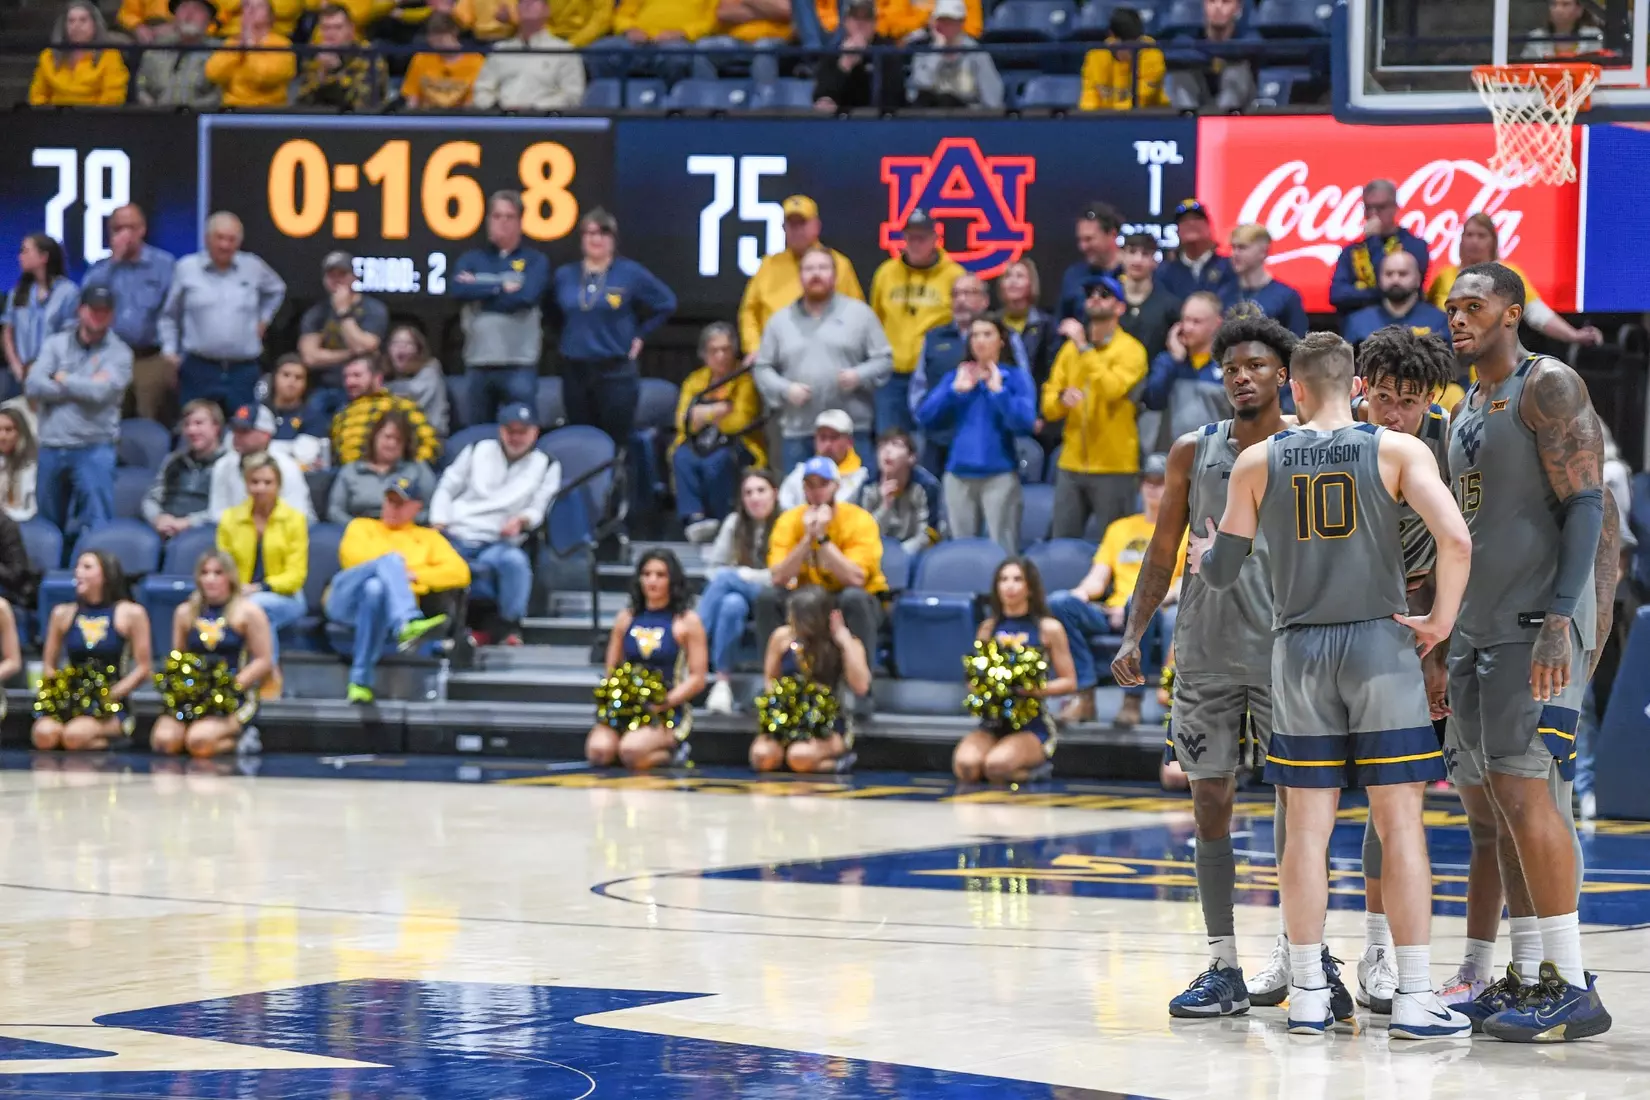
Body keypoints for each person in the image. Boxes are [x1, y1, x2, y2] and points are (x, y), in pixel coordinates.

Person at [1189, 330, 1471, 1040]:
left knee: (1305, 833)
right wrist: (1439, 621)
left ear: (1295, 387)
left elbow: (1222, 572)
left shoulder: (1258, 459)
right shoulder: (1399, 450)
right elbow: (1457, 540)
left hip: (1299, 651)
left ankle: (1310, 992)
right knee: (1399, 824)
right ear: (1356, 386)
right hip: (1380, 642)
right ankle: (1412, 994)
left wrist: (1206, 554)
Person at [1439, 262, 1616, 1042]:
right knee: (1498, 803)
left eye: (1473, 306)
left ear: (1513, 313)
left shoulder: (1549, 385)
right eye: (1452, 308)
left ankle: (1572, 985)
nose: (1458, 318)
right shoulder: (1466, 405)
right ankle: (1529, 968)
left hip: (1536, 623)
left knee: (1527, 792)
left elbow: (1587, 505)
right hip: (1479, 625)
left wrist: (1560, 620)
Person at [1110, 312, 1295, 1016]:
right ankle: (1223, 964)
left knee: (1298, 806)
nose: (1242, 377)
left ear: (1284, 375)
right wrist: (1134, 633)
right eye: (1231, 368)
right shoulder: (1194, 449)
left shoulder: (1306, 446)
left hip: (1284, 652)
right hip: (1206, 652)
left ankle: (1300, 954)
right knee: (1209, 802)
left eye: (1256, 366)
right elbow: (1162, 551)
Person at [1348, 324, 1458, 1013]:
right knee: (1306, 799)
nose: (1392, 414)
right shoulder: (1331, 435)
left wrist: (1438, 654)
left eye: (1408, 402)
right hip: (1332, 620)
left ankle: (1383, 947)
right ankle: (1305, 949)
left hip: (1417, 622)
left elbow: (1458, 549)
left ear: (1430, 402)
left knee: (1397, 792)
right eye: (1382, 397)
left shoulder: (1449, 440)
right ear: (1361, 389)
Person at [1051, 452, 1183, 726]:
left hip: (1155, 611)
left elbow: (1185, 582)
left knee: (1138, 602)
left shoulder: (1184, 529)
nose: (1153, 488)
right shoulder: (1120, 528)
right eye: (1148, 481)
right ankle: (1085, 695)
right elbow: (1097, 578)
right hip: (1114, 610)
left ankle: (1131, 699)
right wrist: (1080, 594)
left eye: (1160, 482)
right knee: (1059, 602)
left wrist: (1150, 602)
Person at [329, 476, 468, 704]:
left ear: (416, 507)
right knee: (389, 562)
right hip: (345, 597)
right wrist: (398, 572)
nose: (392, 508)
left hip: (378, 607)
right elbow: (353, 560)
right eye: (389, 501)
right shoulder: (362, 527)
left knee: (375, 590)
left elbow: (459, 573)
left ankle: (360, 682)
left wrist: (417, 576)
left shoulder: (428, 538)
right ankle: (407, 621)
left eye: (400, 503)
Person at [754, 246, 892, 476]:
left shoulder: (860, 315)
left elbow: (884, 360)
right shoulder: (780, 321)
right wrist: (786, 389)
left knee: (857, 496)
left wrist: (858, 375)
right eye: (809, 269)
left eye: (823, 268)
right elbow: (762, 368)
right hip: (799, 432)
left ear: (835, 276)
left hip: (851, 432)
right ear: (800, 277)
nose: (816, 274)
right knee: (798, 497)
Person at [430, 402, 560, 646]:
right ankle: (443, 626)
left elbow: (540, 506)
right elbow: (447, 487)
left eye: (523, 431)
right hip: (457, 533)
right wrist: (439, 521)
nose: (516, 437)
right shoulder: (477, 449)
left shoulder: (546, 464)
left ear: (535, 432)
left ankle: (510, 626)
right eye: (510, 430)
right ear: (500, 430)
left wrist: (522, 520)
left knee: (514, 563)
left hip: (499, 540)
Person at [550, 209, 677, 450]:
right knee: (581, 440)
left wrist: (641, 335)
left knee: (616, 443)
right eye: (589, 233)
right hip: (575, 370)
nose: (595, 239)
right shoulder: (565, 275)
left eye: (602, 233)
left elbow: (666, 303)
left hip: (615, 371)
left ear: (613, 239)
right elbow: (552, 312)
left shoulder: (630, 273)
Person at [954, 558, 1078, 785]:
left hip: (1032, 724)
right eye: (1003, 580)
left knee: (997, 767)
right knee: (966, 766)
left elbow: (1069, 682)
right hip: (992, 722)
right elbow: (973, 679)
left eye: (1017, 579)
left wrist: (1031, 690)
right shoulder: (988, 628)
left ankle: (1036, 771)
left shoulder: (1048, 628)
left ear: (1030, 588)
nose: (1009, 586)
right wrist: (987, 687)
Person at [1041, 275, 1148, 540]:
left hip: (1115, 466)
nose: (1095, 298)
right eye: (1090, 294)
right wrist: (1061, 399)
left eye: (1104, 294)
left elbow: (1112, 390)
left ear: (1120, 307)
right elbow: (1048, 406)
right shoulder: (1069, 351)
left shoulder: (1131, 350)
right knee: (1062, 544)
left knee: (1115, 544)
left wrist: (1084, 348)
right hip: (1071, 464)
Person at [917, 315, 1034, 553]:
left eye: (987, 334)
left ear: (1001, 340)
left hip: (1000, 474)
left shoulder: (1015, 377)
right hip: (958, 474)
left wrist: (999, 393)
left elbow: (1025, 422)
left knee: (1003, 549)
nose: (980, 341)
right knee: (961, 551)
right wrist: (953, 391)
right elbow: (925, 416)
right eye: (975, 335)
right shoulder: (958, 376)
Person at [585, 550, 708, 770]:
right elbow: (612, 669)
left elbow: (698, 679)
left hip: (668, 710)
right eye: (646, 574)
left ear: (672, 580)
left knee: (631, 751)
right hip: (628, 706)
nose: (652, 580)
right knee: (598, 751)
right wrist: (620, 699)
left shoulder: (687, 621)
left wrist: (663, 702)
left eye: (660, 575)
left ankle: (674, 753)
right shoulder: (626, 618)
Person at [759, 456, 887, 664]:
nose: (816, 491)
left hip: (849, 596)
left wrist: (822, 539)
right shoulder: (789, 521)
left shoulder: (860, 519)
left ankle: (860, 679)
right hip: (807, 596)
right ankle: (777, 676)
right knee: (768, 597)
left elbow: (855, 579)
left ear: (837, 486)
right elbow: (778, 578)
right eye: (810, 485)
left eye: (823, 484)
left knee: (854, 598)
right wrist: (807, 540)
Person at [1426, 212, 1603, 359]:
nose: (1474, 241)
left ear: (1493, 241)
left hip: (1495, 362)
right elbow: (1425, 314)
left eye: (1481, 235)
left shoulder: (1508, 273)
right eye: (1469, 235)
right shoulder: (1444, 276)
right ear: (1461, 240)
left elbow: (1537, 313)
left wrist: (1574, 335)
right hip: (1451, 363)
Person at [28, 286, 130, 535]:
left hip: (94, 447)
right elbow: (33, 384)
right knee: (46, 528)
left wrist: (62, 378)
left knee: (97, 525)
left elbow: (101, 393)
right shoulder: (55, 344)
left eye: (105, 311)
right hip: (52, 445)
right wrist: (84, 385)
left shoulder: (120, 353)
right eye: (94, 309)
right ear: (80, 310)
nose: (99, 315)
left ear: (112, 315)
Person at [161, 212, 285, 417]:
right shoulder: (186, 268)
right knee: (195, 426)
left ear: (239, 242)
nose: (225, 245)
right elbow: (169, 316)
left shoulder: (253, 267)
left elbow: (277, 290)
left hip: (243, 371)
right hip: (199, 368)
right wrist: (169, 351)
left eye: (231, 239)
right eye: (219, 238)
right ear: (207, 238)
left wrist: (264, 319)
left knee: (245, 427)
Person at [149, 549, 272, 758]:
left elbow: (263, 660)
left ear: (230, 577)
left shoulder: (249, 612)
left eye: (218, 573)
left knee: (199, 742)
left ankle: (242, 739)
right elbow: (178, 657)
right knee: (164, 741)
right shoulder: (185, 612)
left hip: (233, 697)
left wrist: (229, 688)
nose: (210, 579)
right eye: (205, 573)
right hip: (193, 696)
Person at [31, 550, 153, 752]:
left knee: (74, 736)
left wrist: (109, 695)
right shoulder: (62, 613)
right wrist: (58, 694)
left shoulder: (131, 613)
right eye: (77, 567)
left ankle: (115, 745)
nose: (78, 572)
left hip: (110, 703)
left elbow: (144, 668)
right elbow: (49, 665)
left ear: (106, 575)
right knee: (44, 734)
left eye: (87, 567)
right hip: (71, 699)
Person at [451, 191, 551, 427]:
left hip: (519, 363)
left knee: (521, 431)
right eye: (497, 216)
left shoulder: (535, 261)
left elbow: (526, 297)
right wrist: (500, 286)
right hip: (478, 362)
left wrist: (479, 286)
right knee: (478, 433)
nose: (502, 222)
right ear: (488, 220)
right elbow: (457, 290)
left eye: (509, 216)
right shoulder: (471, 259)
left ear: (520, 222)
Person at [750, 586, 873, 774]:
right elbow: (770, 681)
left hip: (827, 724)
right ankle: (789, 757)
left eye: (797, 617)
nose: (791, 620)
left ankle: (837, 763)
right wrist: (779, 714)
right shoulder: (781, 637)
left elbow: (861, 687)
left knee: (799, 756)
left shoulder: (846, 643)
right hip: (787, 717)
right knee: (762, 756)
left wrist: (845, 642)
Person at [869, 209, 966, 436]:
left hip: (933, 375)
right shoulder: (886, 273)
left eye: (921, 238)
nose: (915, 243)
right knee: (890, 441)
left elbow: (961, 326)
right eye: (910, 237)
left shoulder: (954, 275)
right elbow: (875, 322)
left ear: (935, 239)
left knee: (930, 439)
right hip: (891, 377)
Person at [738, 195, 864, 366]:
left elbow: (857, 316)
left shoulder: (838, 264)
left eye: (802, 223)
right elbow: (749, 311)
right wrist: (754, 347)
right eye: (791, 225)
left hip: (825, 362)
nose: (796, 230)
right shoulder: (768, 265)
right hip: (775, 361)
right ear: (783, 228)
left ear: (816, 226)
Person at [82, 205, 177, 424]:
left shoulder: (164, 264)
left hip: (149, 357)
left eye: (131, 228)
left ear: (142, 229)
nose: (125, 234)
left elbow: (174, 312)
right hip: (110, 356)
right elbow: (86, 300)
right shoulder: (102, 268)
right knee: (108, 417)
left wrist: (172, 353)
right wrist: (114, 262)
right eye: (118, 229)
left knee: (149, 418)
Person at [216, 451, 308, 674]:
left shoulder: (295, 520)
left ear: (278, 485)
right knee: (261, 616)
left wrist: (259, 588)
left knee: (255, 607)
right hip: (238, 595)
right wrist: (237, 589)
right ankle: (266, 677)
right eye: (255, 482)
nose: (261, 488)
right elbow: (223, 565)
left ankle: (251, 674)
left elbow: (296, 576)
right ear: (246, 484)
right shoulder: (230, 519)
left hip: (286, 597)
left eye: (267, 482)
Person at [673, 322, 766, 542]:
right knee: (681, 457)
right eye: (714, 350)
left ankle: (721, 518)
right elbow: (682, 422)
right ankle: (694, 518)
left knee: (716, 462)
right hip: (698, 442)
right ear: (704, 354)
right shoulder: (695, 380)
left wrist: (701, 414)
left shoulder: (744, 379)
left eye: (726, 349)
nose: (721, 356)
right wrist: (717, 410)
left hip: (736, 443)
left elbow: (740, 421)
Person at [700, 469, 780, 715]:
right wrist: (738, 578)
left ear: (775, 493)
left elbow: (782, 574)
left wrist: (746, 576)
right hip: (740, 595)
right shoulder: (734, 523)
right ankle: (722, 683)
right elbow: (713, 568)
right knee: (731, 604)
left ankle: (692, 643)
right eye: (748, 493)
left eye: (761, 491)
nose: (755, 498)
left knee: (727, 578)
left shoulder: (787, 522)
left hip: (774, 596)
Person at [907, 274, 992, 476]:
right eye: (956, 294)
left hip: (985, 441)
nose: (961, 300)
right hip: (939, 440)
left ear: (985, 301)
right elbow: (918, 388)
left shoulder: (1001, 335)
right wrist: (924, 418)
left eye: (969, 293)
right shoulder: (934, 337)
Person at [298, 251, 390, 422]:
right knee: (312, 413)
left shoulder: (373, 309)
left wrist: (343, 312)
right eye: (331, 275)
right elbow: (310, 357)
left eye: (342, 274)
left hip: (363, 386)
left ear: (354, 277)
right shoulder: (316, 312)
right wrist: (350, 354)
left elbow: (366, 346)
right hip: (325, 385)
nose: (337, 280)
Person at [1329, 178, 1430, 317]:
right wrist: (1379, 294)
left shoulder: (1415, 246)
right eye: (1368, 208)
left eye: (1380, 207)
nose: (1373, 214)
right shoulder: (1351, 251)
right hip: (1361, 324)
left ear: (1395, 207)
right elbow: (1337, 295)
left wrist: (1373, 241)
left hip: (1405, 322)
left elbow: (1405, 290)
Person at [1141, 291, 1227, 445]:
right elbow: (1153, 401)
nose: (1188, 327)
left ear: (1216, 323)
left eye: (1196, 321)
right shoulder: (1166, 362)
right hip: (1169, 453)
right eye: (1185, 319)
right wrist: (1174, 361)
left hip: (1214, 454)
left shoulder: (1229, 366)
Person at [3, 234, 79, 402]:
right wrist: (16, 367)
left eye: (25, 251)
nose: (20, 256)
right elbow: (8, 332)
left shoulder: (67, 292)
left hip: (54, 376)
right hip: (19, 375)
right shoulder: (17, 293)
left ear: (43, 257)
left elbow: (71, 338)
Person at [328, 409, 436, 524]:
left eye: (399, 440)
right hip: (362, 529)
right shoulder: (351, 471)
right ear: (375, 437)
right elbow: (335, 511)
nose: (392, 444)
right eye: (388, 437)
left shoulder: (417, 469)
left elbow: (432, 509)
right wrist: (358, 527)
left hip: (405, 529)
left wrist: (406, 521)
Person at [330, 353, 440, 467]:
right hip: (349, 475)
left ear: (377, 378)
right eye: (346, 377)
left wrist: (411, 471)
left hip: (395, 473)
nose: (349, 382)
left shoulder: (401, 405)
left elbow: (430, 443)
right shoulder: (340, 416)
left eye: (357, 375)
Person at [472, 0, 585, 109]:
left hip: (544, 118)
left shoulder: (563, 51)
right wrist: (495, 107)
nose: (527, 3)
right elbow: (482, 89)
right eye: (522, 1)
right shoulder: (500, 50)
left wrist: (535, 109)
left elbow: (573, 95)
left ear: (547, 10)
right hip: (501, 117)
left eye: (534, 1)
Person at [208, 405, 314, 521]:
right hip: (236, 529)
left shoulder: (287, 467)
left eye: (244, 431)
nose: (237, 435)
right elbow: (217, 513)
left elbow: (297, 514)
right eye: (235, 429)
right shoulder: (223, 465)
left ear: (266, 434)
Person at [852, 429, 944, 557]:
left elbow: (928, 535)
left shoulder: (926, 486)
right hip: (877, 552)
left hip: (916, 555)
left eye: (896, 445)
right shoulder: (868, 486)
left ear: (911, 457)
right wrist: (885, 507)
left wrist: (900, 555)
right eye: (882, 446)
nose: (887, 450)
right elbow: (863, 534)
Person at [143, 399, 226, 536]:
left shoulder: (228, 463)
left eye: (199, 423)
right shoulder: (173, 460)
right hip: (165, 527)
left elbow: (226, 509)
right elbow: (151, 499)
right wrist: (157, 518)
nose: (191, 430)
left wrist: (188, 522)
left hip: (203, 531)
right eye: (187, 424)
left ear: (216, 427)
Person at [1163, 0, 1257, 113]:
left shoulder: (1247, 37)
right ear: (1204, 6)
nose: (1218, 7)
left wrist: (1211, 55)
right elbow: (1175, 53)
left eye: (1225, 2)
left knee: (1237, 69)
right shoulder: (1190, 37)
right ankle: (1187, 116)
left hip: (1237, 105)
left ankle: (1227, 116)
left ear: (1238, 9)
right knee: (1181, 73)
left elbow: (1252, 47)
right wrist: (1213, 59)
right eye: (1212, 2)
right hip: (1199, 98)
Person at [28, 1, 129, 106]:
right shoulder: (48, 56)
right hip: (55, 115)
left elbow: (113, 98)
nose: (76, 26)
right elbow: (37, 96)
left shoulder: (110, 55)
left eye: (83, 20)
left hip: (95, 114)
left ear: (95, 24)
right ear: (64, 26)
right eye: (71, 21)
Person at [1342, 251, 1449, 348]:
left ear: (1418, 279)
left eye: (1403, 274)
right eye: (1389, 274)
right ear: (1379, 279)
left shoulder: (1440, 321)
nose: (1395, 279)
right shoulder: (1357, 322)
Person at [907, 0, 1002, 109]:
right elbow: (916, 93)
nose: (946, 26)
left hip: (967, 114)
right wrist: (937, 51)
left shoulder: (976, 54)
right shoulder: (924, 53)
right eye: (941, 21)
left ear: (961, 23)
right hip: (932, 113)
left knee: (948, 100)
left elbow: (993, 99)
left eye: (951, 21)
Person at [812, 0, 904, 112]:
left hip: (878, 119)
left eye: (866, 18)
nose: (860, 24)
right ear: (845, 21)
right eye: (855, 17)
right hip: (843, 119)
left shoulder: (887, 50)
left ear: (874, 23)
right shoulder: (833, 51)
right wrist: (844, 66)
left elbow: (893, 98)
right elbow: (823, 97)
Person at [202, 0, 297, 107]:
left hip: (269, 109)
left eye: (259, 6)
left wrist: (249, 47)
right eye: (247, 6)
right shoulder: (232, 42)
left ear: (270, 16)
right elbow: (213, 74)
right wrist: (237, 50)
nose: (251, 10)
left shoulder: (282, 44)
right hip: (232, 108)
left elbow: (265, 78)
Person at [1222, 224, 1308, 337]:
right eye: (1233, 247)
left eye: (1242, 247)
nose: (1234, 254)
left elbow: (1298, 339)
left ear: (1263, 252)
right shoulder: (1224, 293)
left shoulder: (1286, 296)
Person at [777, 410, 872, 511]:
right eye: (822, 438)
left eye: (834, 438)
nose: (827, 444)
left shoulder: (863, 478)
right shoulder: (800, 473)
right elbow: (785, 504)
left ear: (849, 442)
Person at [295, 3, 387, 107]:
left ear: (351, 29)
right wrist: (321, 76)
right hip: (319, 116)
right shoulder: (313, 57)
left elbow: (363, 104)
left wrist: (335, 71)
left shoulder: (369, 56)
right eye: (326, 28)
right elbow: (302, 103)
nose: (331, 34)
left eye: (338, 27)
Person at [135, 0, 222, 108]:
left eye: (197, 9)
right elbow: (141, 84)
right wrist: (153, 108)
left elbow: (220, 93)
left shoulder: (221, 52)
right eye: (183, 8)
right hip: (157, 115)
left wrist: (189, 112)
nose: (189, 15)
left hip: (201, 115)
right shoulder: (156, 49)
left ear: (209, 19)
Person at [1078, 6, 1167, 110]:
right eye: (1124, 45)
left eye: (1134, 43)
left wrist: (1116, 115)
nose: (1130, 51)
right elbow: (1089, 97)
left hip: (1148, 116)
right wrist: (1090, 116)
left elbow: (1143, 99)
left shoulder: (1152, 53)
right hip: (1106, 117)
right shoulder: (1095, 56)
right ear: (1112, 36)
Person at [1116, 233, 1182, 365]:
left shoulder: (1170, 305)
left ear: (1155, 261)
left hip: (1156, 374)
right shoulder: (1108, 299)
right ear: (1121, 256)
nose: (1138, 260)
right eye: (1132, 252)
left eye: (1145, 254)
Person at [1058, 204, 1123, 324]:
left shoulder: (1135, 274)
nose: (1083, 247)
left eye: (1089, 239)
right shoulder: (1074, 276)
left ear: (1112, 235)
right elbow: (1060, 322)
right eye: (1080, 240)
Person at [400, 13, 484, 106]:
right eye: (432, 35)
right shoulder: (421, 58)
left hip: (459, 114)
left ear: (454, 32)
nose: (435, 40)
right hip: (427, 113)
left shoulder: (476, 60)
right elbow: (412, 97)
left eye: (441, 34)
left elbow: (472, 101)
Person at [1159, 200, 1236, 301]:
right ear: (1177, 231)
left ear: (1209, 227)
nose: (1191, 223)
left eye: (1197, 218)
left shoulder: (1230, 267)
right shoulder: (1165, 272)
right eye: (1184, 220)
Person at [384, 325, 450, 437]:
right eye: (395, 343)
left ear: (418, 349)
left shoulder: (430, 371)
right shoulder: (385, 374)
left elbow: (412, 396)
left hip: (430, 434)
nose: (400, 348)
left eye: (407, 344)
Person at [265, 354, 327, 472]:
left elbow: (304, 457)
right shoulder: (259, 411)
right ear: (274, 377)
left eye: (298, 377)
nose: (291, 381)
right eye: (286, 375)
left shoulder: (313, 417)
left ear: (305, 383)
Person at [1522, 0, 1603, 58]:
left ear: (1579, 10)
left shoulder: (1593, 36)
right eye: (1553, 4)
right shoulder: (1536, 37)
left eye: (1565, 4)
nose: (1558, 10)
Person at [0, 407, 37, 522]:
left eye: (8, 430)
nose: (2, 437)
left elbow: (31, 509)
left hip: (25, 521)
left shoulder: (32, 465)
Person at [879, 0, 981, 40]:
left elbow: (973, 30)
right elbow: (889, 25)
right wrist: (924, 18)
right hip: (909, 47)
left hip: (958, 48)